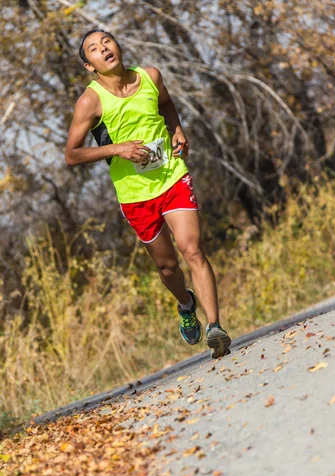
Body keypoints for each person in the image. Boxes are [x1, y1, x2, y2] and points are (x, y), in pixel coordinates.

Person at [65, 29, 231, 359]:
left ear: (117, 45)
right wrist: (117, 149)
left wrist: (178, 130)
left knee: (192, 249)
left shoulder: (150, 76)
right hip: (135, 194)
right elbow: (72, 154)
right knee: (168, 267)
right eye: (94, 49)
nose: (104, 49)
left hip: (172, 175)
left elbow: (167, 104)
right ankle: (186, 303)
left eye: (107, 41)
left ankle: (215, 328)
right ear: (90, 66)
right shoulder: (91, 100)